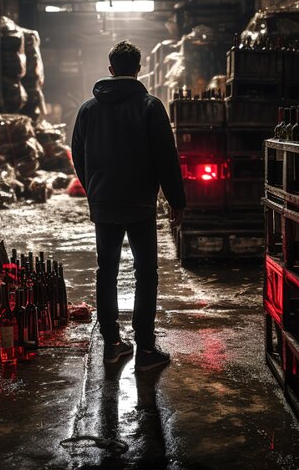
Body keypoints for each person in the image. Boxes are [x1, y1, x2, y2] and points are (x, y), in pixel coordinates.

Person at [71, 40, 186, 372]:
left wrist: (94, 188)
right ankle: (146, 349)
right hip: (140, 204)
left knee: (105, 272)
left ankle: (112, 345)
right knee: (145, 273)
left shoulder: (88, 110)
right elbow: (167, 157)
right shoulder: (150, 106)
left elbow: (79, 156)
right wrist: (176, 200)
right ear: (138, 69)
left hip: (104, 203)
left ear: (111, 70)